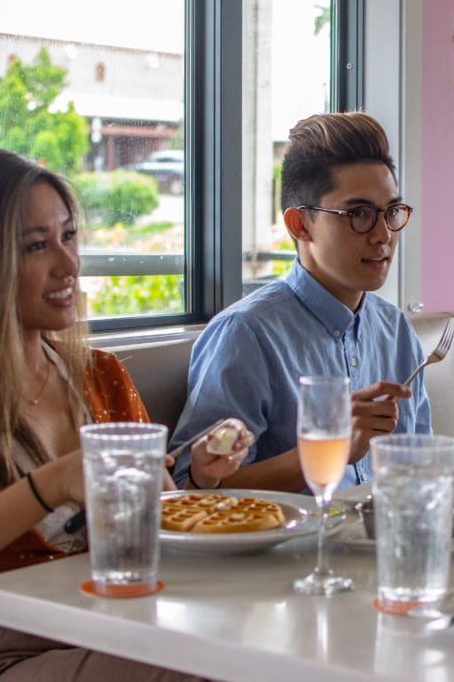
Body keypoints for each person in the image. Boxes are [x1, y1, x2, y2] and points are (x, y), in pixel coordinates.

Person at [0, 149, 251, 682]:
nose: (68, 265)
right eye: (36, 246)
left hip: (105, 629)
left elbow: (156, 518)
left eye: (68, 237)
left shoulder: (100, 375)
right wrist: (49, 486)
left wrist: (200, 480)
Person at [171, 111, 432, 492]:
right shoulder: (246, 333)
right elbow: (191, 489)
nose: (383, 235)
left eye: (390, 212)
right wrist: (331, 445)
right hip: (294, 548)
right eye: (358, 214)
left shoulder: (395, 330)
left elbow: (421, 466)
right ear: (299, 224)